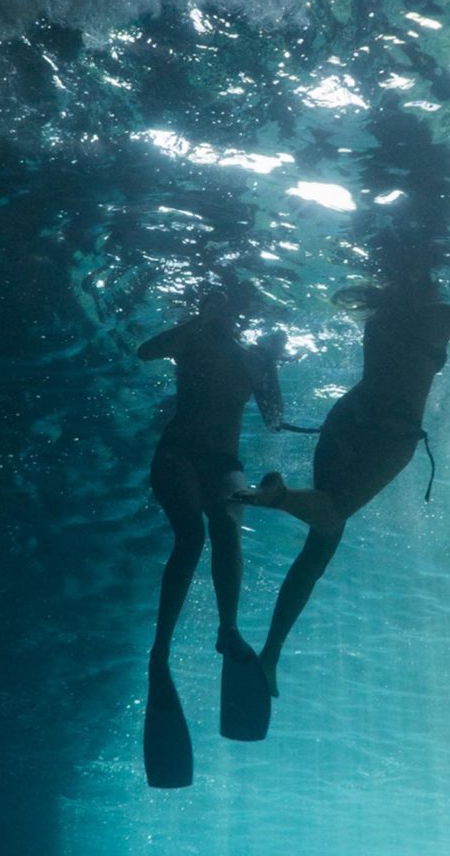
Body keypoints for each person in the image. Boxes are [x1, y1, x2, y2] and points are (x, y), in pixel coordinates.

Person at [233, 275, 450, 695]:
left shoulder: (380, 318)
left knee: (320, 542)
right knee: (332, 518)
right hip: (392, 435)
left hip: (345, 418)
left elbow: (404, 358)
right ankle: (280, 497)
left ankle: (271, 654)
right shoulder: (444, 315)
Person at [140, 291, 285, 679]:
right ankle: (161, 649)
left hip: (224, 463)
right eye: (217, 304)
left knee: (227, 526)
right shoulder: (192, 339)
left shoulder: (253, 358)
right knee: (190, 539)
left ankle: (228, 630)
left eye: (231, 305)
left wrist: (271, 363)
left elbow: (273, 419)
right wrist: (197, 321)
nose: (226, 311)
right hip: (178, 454)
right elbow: (145, 351)